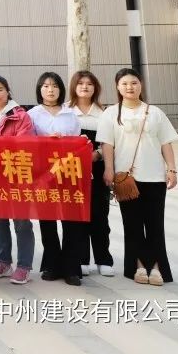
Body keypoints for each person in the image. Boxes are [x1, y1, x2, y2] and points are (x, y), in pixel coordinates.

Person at [97, 68, 178, 285]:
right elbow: (107, 145)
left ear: (141, 85)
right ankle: (139, 266)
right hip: (126, 179)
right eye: (124, 84)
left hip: (155, 178)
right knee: (132, 225)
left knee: (154, 225)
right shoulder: (111, 113)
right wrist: (108, 170)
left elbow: (166, 143)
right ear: (117, 87)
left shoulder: (155, 112)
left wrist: (171, 169)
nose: (129, 87)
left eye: (134, 83)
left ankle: (157, 267)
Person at [0, 75, 36, 284]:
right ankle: (3, 261)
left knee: (21, 222)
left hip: (16, 174)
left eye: (0, 89)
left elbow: (24, 144)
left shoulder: (21, 116)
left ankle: (24, 266)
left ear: (8, 91)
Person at [28, 72, 85, 287]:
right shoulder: (32, 114)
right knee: (48, 221)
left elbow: (79, 141)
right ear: (39, 89)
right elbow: (28, 142)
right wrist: (45, 142)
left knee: (71, 221)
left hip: (69, 173)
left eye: (54, 86)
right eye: (45, 86)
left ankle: (72, 268)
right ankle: (51, 265)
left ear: (61, 89)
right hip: (44, 175)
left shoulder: (71, 114)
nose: (50, 90)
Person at [68, 70, 114, 277]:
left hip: (97, 167)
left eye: (89, 84)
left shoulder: (105, 113)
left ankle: (103, 259)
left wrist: (97, 154)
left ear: (95, 88)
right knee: (78, 215)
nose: (85, 87)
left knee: (99, 213)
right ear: (74, 87)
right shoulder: (66, 112)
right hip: (72, 170)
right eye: (81, 83)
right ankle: (81, 258)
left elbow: (110, 142)